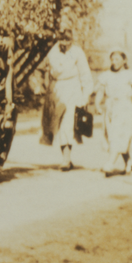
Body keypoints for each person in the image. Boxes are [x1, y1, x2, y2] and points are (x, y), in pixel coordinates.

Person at [40, 29, 94, 170]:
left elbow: (85, 74)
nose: (64, 43)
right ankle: (66, 158)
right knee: (56, 125)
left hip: (72, 89)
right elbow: (45, 67)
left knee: (68, 123)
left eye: (67, 40)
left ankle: (66, 159)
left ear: (71, 40)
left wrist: (86, 94)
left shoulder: (77, 52)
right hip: (56, 90)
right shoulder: (53, 51)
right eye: (61, 40)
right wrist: (45, 84)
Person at [95, 50, 132, 176]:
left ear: (124, 60)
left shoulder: (130, 74)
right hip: (110, 108)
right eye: (112, 59)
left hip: (124, 107)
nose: (114, 62)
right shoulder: (106, 75)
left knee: (119, 135)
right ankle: (129, 162)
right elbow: (100, 91)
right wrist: (97, 104)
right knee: (114, 136)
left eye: (117, 59)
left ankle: (110, 164)